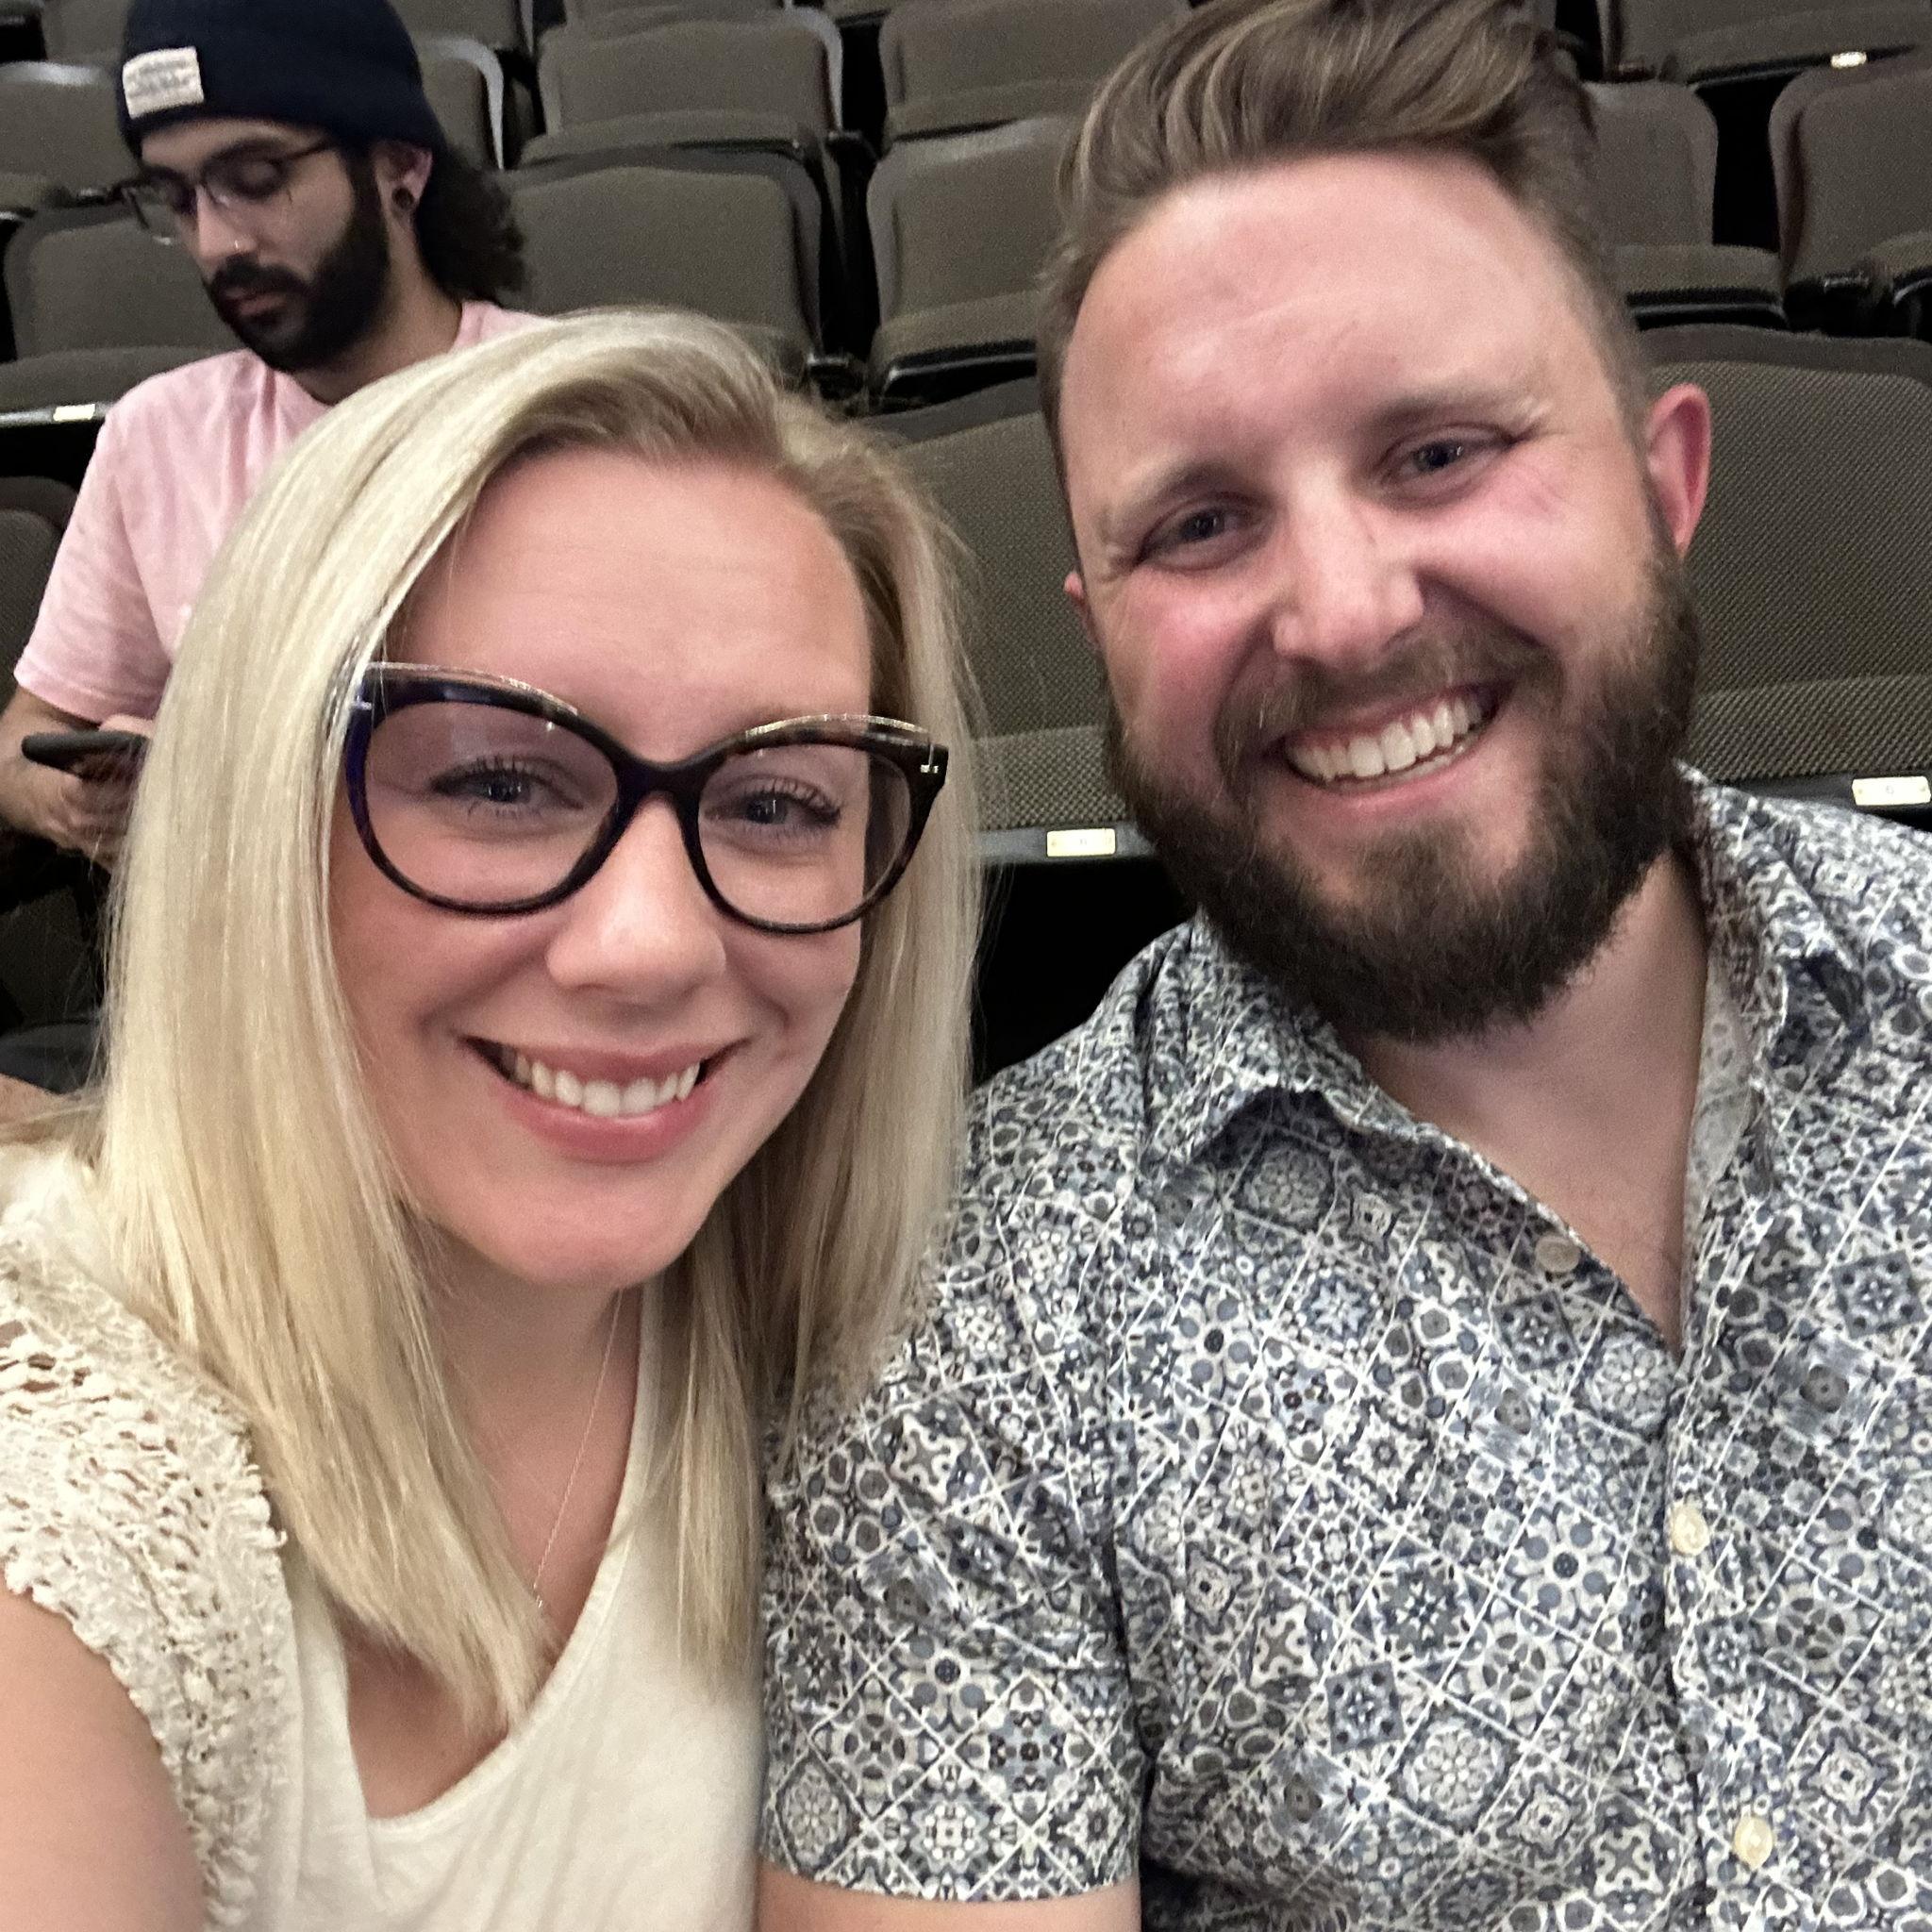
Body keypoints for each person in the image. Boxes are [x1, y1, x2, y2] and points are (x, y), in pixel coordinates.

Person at [756, 0, 1932, 1924]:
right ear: (1098, 626)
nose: (1340, 610)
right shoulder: (966, 1332)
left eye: (1438, 451)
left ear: (1663, 483)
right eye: (1202, 522)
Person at [0, 307, 977, 1928]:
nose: (651, 945)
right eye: (497, 781)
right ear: (257, 813)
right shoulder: (66, 1472)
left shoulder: (873, 1361)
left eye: (775, 801)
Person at [0, 0, 532, 869]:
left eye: (254, 179)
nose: (217, 243)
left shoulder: (569, 408)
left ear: (399, 164)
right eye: (177, 199)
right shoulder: (156, 438)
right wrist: (68, 801)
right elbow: (24, 738)